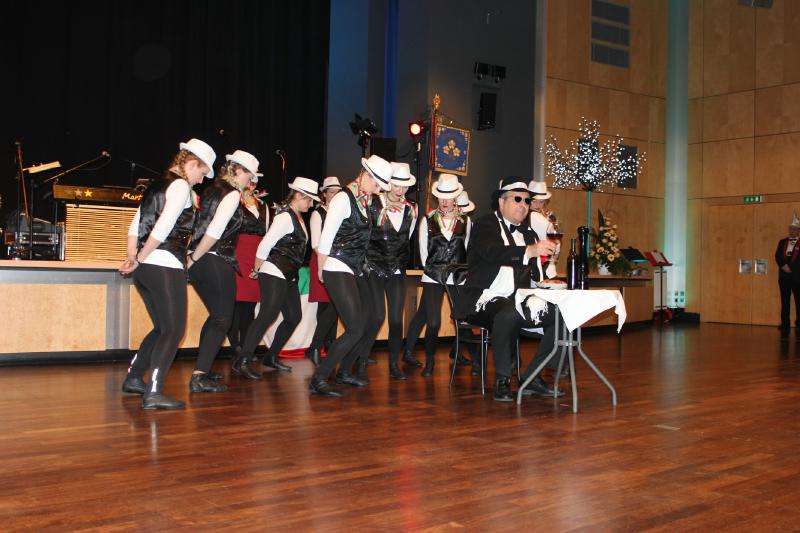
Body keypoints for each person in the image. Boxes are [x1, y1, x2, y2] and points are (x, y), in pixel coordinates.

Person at [119, 138, 216, 410]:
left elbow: (135, 225)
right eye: (202, 173)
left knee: (162, 328)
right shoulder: (181, 186)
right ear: (192, 163)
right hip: (164, 265)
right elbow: (163, 228)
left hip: (147, 268)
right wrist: (139, 258)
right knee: (174, 331)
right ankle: (154, 392)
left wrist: (133, 257)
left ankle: (134, 378)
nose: (201, 180)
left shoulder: (156, 184)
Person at [453, 177, 563, 402]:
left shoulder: (529, 233)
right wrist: (528, 251)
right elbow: (493, 252)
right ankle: (502, 379)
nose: (523, 204)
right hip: (483, 298)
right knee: (508, 311)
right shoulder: (484, 225)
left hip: (517, 298)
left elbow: (535, 274)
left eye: (527, 200)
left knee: (561, 314)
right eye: (517, 199)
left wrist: (548, 282)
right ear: (501, 202)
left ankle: (532, 377)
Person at [310, 154, 393, 397]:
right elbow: (326, 239)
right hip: (336, 265)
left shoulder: (364, 200)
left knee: (368, 321)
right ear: (366, 176)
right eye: (377, 184)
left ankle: (345, 371)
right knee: (355, 328)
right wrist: (321, 271)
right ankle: (319, 377)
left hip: (354, 268)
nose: (378, 190)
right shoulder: (342, 199)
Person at [187, 149, 260, 393]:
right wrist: (194, 257)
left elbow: (199, 225)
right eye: (249, 176)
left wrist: (193, 256)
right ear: (238, 170)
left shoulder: (212, 189)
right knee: (222, 318)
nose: (251, 181)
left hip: (203, 259)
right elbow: (214, 232)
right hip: (214, 258)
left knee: (215, 317)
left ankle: (203, 368)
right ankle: (199, 376)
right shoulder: (231, 194)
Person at [233, 177, 319, 378]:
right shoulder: (285, 217)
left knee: (294, 316)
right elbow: (265, 244)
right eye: (309, 200)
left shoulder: (297, 217)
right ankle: (242, 360)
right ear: (298, 196)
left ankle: (270, 356)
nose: (311, 204)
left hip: (289, 274)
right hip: (274, 271)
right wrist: (257, 269)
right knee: (267, 315)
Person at [403, 173, 470, 377]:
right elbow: (424, 253)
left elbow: (466, 249)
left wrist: (460, 272)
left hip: (457, 278)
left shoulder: (466, 221)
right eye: (441, 196)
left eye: (448, 196)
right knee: (433, 321)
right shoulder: (427, 220)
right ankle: (430, 361)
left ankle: (469, 357)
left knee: (462, 319)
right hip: (433, 275)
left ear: (455, 197)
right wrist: (435, 270)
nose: (444, 201)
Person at [363, 162, 418, 380]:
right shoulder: (373, 203)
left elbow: (406, 238)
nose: (400, 190)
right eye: (396, 185)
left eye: (404, 186)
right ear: (388, 184)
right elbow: (364, 236)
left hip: (397, 271)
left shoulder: (412, 209)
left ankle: (394, 364)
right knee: (376, 317)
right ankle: (361, 358)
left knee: (396, 320)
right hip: (375, 268)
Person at [228, 179, 269, 372]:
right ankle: (235, 345)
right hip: (237, 254)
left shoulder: (263, 205)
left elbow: (267, 234)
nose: (251, 184)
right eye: (249, 180)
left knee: (250, 304)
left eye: (254, 181)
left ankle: (246, 347)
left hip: (256, 256)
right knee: (235, 302)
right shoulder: (233, 201)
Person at [305, 177, 343, 366]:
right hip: (322, 261)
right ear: (325, 194)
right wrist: (326, 263)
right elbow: (316, 244)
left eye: (337, 192)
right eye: (331, 192)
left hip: (337, 263)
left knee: (335, 306)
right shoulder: (317, 214)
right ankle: (317, 347)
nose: (334, 195)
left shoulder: (341, 212)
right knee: (325, 307)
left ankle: (329, 346)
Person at [528, 180, 559, 279]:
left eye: (541, 201)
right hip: (544, 269)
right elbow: (556, 244)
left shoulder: (540, 215)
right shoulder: (534, 215)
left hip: (542, 267)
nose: (537, 205)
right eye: (534, 201)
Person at [776, 212, 800, 331]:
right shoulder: (782, 241)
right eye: (790, 228)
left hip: (797, 277)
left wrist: (792, 268)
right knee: (784, 301)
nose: (792, 231)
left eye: (794, 229)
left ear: (799, 231)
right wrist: (783, 265)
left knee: (798, 301)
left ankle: (799, 324)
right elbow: (777, 256)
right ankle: (785, 324)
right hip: (784, 276)